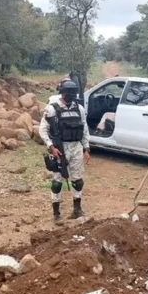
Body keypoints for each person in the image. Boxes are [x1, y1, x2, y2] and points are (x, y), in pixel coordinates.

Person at [39, 79, 91, 226]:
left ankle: (77, 209)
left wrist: (86, 148)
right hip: (60, 148)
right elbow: (43, 130)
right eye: (68, 93)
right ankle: (56, 214)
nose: (70, 95)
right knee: (57, 181)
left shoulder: (79, 109)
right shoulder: (52, 109)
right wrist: (51, 147)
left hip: (76, 147)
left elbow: (84, 128)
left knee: (78, 180)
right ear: (61, 93)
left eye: (72, 93)